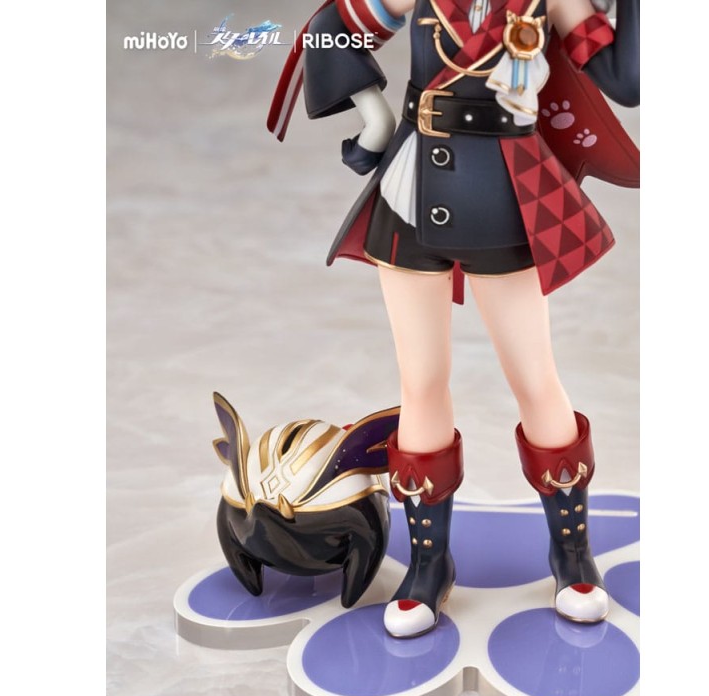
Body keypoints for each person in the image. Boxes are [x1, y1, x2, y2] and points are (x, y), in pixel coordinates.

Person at [268, 0, 639, 638]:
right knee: (421, 381)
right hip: (411, 189)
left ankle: (572, 553)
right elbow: (335, 27)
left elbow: (624, 80)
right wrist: (375, 117)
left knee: (534, 378)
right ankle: (428, 564)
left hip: (505, 189)